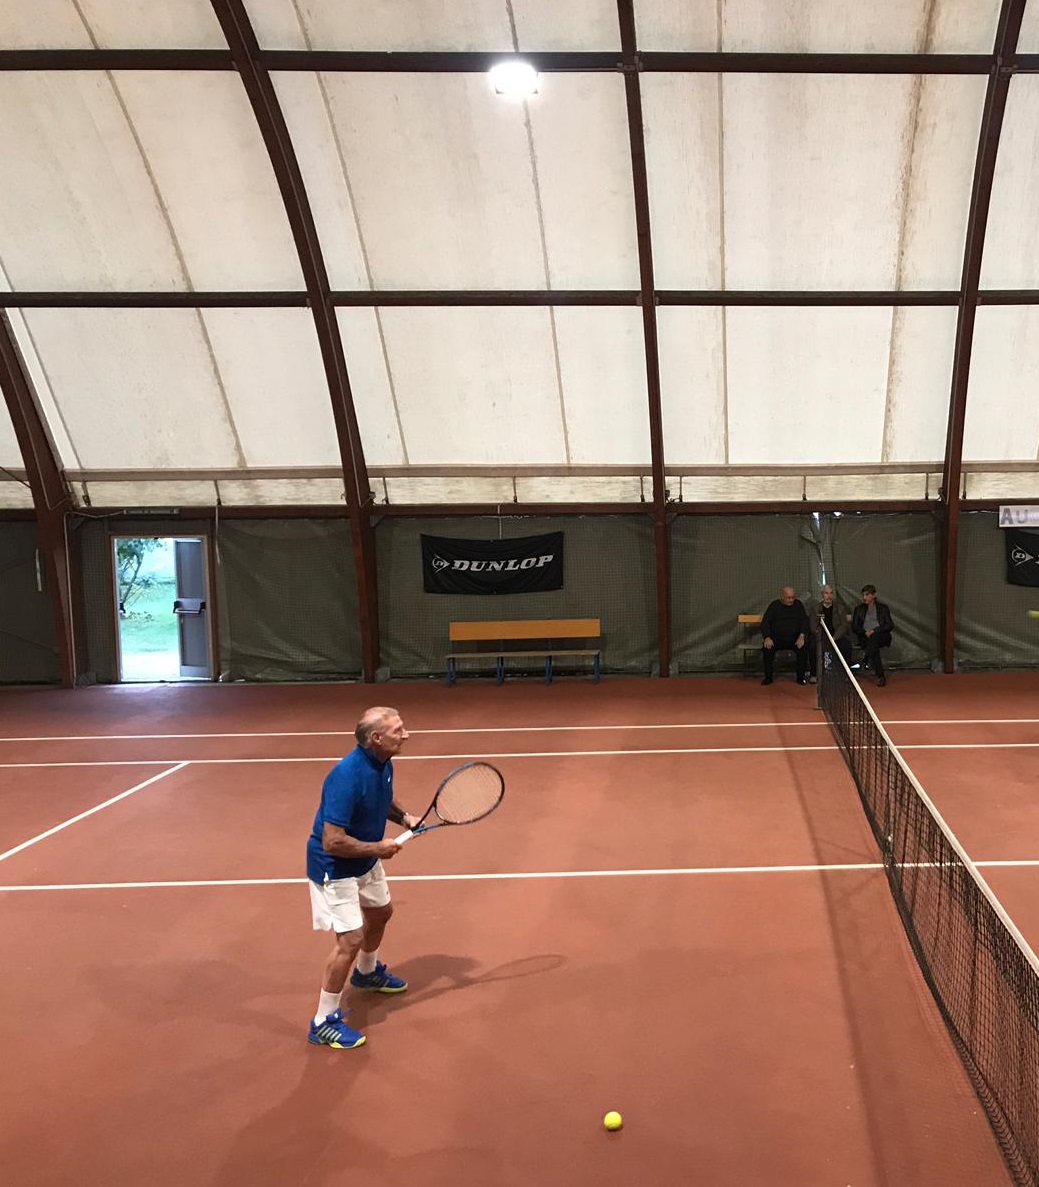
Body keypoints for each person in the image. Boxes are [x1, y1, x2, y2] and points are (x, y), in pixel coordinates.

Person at [306, 706, 420, 1050]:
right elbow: (332, 841)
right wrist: (378, 848)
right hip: (335, 867)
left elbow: (381, 799)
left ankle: (367, 973)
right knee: (350, 940)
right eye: (398, 730)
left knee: (381, 913)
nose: (406, 735)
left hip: (364, 860)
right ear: (376, 738)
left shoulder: (383, 762)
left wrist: (404, 817)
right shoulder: (346, 776)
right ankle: (323, 1021)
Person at [760, 586, 810, 685]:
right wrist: (767, 637)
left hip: (795, 639)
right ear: (782, 597)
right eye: (789, 598)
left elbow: (804, 621)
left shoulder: (798, 605)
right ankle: (768, 677)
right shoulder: (774, 606)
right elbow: (765, 623)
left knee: (803, 648)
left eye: (793, 597)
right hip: (776, 639)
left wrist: (802, 636)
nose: (791, 600)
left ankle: (800, 677)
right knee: (767, 648)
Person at [851, 584, 894, 687]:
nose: (864, 597)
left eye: (867, 595)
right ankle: (880, 676)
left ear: (874, 595)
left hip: (881, 635)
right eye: (863, 595)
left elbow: (889, 625)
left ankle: (866, 658)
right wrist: (864, 632)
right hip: (865, 637)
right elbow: (855, 626)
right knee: (874, 646)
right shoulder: (859, 609)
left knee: (874, 638)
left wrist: (875, 630)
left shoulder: (883, 608)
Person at [807, 584, 853, 680]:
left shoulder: (841, 608)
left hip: (836, 637)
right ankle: (814, 674)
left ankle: (846, 674)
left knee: (846, 645)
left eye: (831, 593)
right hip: (820, 637)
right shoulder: (815, 609)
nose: (829, 596)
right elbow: (813, 626)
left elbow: (843, 626)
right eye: (826, 593)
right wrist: (823, 637)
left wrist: (835, 637)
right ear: (822, 595)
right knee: (812, 646)